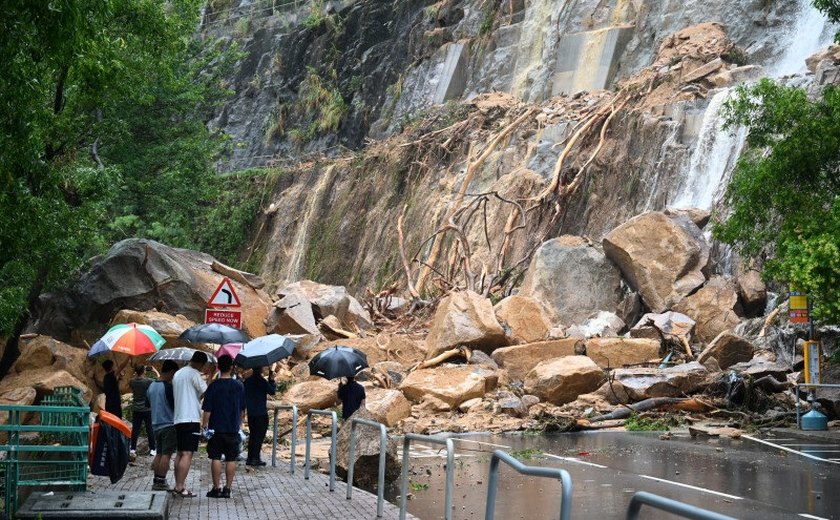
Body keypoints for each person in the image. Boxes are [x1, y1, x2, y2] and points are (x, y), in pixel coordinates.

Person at [201, 355, 245, 499]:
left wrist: (204, 426)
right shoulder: (239, 385)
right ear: (231, 367)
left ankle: (216, 488)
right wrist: (239, 424)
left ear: (218, 367)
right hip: (232, 428)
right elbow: (243, 410)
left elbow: (207, 409)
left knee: (216, 458)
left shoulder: (213, 386)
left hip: (216, 428)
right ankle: (228, 489)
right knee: (231, 458)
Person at [171, 351, 208, 498]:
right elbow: (206, 392)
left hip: (179, 418)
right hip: (190, 418)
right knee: (187, 453)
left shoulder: (178, 374)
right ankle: (180, 487)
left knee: (180, 453)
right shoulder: (194, 374)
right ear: (201, 363)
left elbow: (193, 394)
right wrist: (210, 377)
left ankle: (178, 485)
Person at [148, 360, 178, 491]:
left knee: (159, 453)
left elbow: (147, 404)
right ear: (171, 371)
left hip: (155, 424)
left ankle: (157, 480)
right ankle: (160, 481)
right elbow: (175, 405)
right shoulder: (167, 387)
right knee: (166, 454)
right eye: (174, 374)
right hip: (168, 424)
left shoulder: (151, 386)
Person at [243, 365, 277, 466]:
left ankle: (250, 458)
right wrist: (271, 380)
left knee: (253, 435)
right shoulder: (261, 381)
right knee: (259, 436)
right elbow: (272, 391)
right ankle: (255, 458)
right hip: (261, 413)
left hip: (251, 413)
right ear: (261, 369)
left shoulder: (247, 381)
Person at [129, 365, 156, 457]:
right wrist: (154, 371)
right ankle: (152, 449)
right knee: (150, 429)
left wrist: (135, 374)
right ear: (144, 371)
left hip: (136, 408)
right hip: (147, 408)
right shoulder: (148, 381)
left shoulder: (132, 381)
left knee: (135, 429)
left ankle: (132, 449)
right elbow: (159, 379)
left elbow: (131, 383)